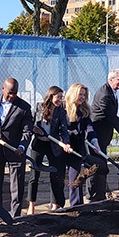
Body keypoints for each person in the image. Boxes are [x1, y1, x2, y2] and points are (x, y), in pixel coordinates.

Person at [0, 78, 33, 218]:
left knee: (17, 186)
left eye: (15, 93)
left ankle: (15, 216)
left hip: (15, 151)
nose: (12, 96)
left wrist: (22, 146)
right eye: (9, 93)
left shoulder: (24, 107)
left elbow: (27, 131)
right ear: (2, 88)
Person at [90, 69, 119, 201]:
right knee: (97, 164)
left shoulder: (112, 92)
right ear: (111, 79)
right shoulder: (105, 94)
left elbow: (111, 114)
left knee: (101, 164)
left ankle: (100, 194)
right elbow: (109, 116)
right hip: (97, 136)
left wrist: (118, 119)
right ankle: (94, 195)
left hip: (104, 135)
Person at [27, 86, 72, 214]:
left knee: (56, 174)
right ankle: (31, 205)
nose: (60, 100)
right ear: (51, 96)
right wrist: (34, 128)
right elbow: (30, 123)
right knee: (34, 175)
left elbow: (63, 130)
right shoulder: (39, 107)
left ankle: (55, 205)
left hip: (53, 144)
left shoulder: (61, 111)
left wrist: (66, 143)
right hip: (39, 144)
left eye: (61, 97)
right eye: (58, 97)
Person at [64, 83, 99, 207]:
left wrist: (95, 142)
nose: (83, 97)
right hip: (63, 146)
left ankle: (77, 205)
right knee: (58, 177)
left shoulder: (84, 110)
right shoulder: (63, 109)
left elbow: (89, 128)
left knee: (76, 178)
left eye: (84, 95)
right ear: (73, 94)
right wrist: (65, 142)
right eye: (80, 94)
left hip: (77, 149)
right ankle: (57, 204)